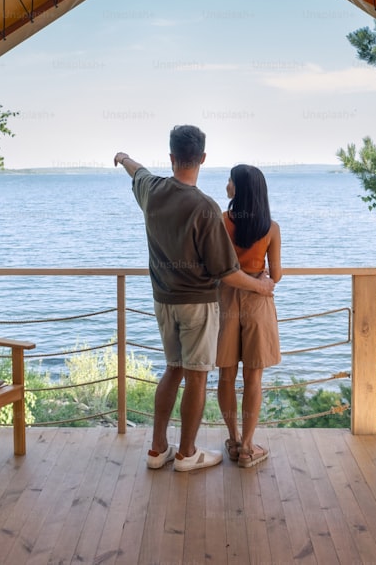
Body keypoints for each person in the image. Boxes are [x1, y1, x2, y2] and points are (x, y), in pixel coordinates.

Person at [114, 126, 274, 472]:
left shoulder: (152, 190)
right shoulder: (205, 208)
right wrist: (260, 287)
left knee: (172, 370)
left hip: (163, 300)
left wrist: (123, 157)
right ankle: (187, 453)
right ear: (202, 158)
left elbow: (136, 170)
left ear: (171, 157)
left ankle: (157, 450)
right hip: (198, 304)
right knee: (197, 376)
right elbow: (226, 272)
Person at [216, 164, 282, 468]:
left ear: (239, 189)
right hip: (258, 299)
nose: (227, 185)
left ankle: (232, 438)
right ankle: (247, 447)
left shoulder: (222, 222)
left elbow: (217, 267)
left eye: (230, 181)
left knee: (226, 375)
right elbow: (276, 275)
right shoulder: (271, 228)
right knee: (253, 377)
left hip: (226, 298)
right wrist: (263, 278)